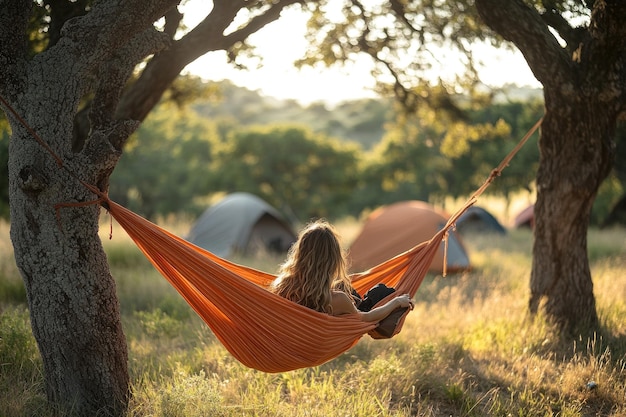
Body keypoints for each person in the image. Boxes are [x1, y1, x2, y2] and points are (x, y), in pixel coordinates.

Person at [270, 219, 414, 322]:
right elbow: (367, 318)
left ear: (300, 253)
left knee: (343, 286)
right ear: (333, 260)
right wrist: (396, 302)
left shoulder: (281, 286)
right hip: (311, 344)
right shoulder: (337, 299)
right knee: (381, 293)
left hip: (286, 344)